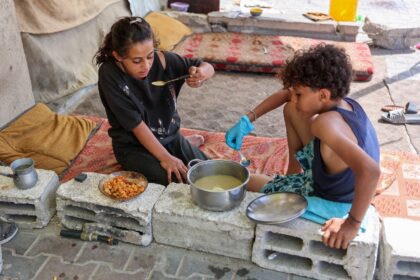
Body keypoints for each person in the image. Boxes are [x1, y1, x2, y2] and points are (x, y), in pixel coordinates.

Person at [225, 44, 380, 249]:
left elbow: (371, 171)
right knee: (291, 109)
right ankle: (292, 173)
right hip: (341, 179)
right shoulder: (346, 103)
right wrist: (247, 119)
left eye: (299, 94)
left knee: (244, 180)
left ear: (323, 95)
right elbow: (286, 94)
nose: (294, 97)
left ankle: (291, 185)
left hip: (331, 194)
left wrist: (351, 223)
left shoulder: (324, 124)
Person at [94, 16, 214, 185]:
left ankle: (182, 144)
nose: (146, 66)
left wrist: (201, 74)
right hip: (133, 147)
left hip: (169, 136)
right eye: (137, 61)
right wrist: (166, 158)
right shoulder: (110, 75)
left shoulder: (163, 60)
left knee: (209, 172)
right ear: (118, 56)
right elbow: (136, 125)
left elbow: (206, 66)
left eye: (150, 56)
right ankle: (177, 148)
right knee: (181, 182)